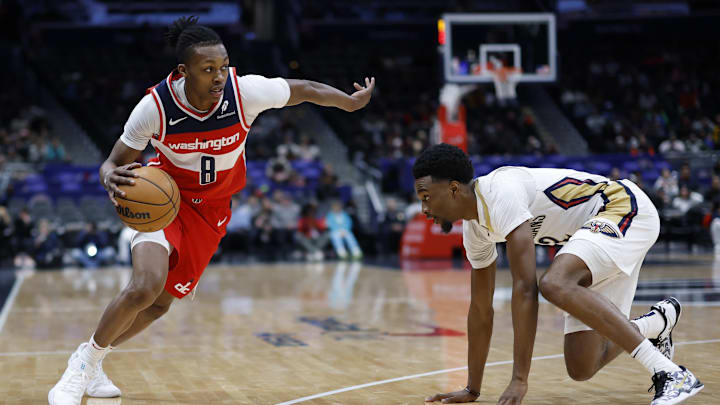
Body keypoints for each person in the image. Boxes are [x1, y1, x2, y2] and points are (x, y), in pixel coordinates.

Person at [49, 16, 374, 405]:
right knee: (144, 286)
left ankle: (96, 358)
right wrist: (108, 178)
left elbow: (302, 90)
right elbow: (113, 160)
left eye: (223, 66)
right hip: (165, 201)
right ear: (183, 71)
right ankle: (80, 367)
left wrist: (347, 101)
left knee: (158, 306)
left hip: (213, 210)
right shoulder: (154, 107)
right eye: (208, 69)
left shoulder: (244, 92)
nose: (219, 76)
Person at [414, 144, 702, 405]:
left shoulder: (498, 193)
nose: (424, 209)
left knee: (555, 283)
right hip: (593, 233)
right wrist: (472, 389)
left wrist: (519, 379)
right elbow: (480, 311)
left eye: (427, 197)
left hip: (622, 207)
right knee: (581, 366)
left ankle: (670, 374)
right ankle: (657, 322)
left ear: (453, 189)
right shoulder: (475, 231)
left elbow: (526, 289)